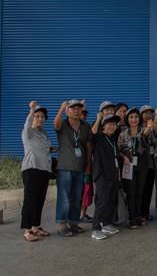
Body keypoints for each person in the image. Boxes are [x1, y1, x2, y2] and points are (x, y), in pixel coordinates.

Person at [53, 99, 91, 237]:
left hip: (79, 167)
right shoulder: (63, 124)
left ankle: (74, 223)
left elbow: (88, 147)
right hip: (65, 167)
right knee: (64, 197)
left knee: (77, 197)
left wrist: (88, 166)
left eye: (78, 108)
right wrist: (61, 109)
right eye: (73, 108)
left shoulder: (85, 126)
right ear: (67, 111)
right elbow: (55, 125)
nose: (76, 110)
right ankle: (63, 226)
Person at [21, 101, 53, 242]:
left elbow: (46, 149)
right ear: (33, 117)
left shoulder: (44, 133)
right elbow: (27, 123)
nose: (40, 118)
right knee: (30, 200)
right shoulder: (28, 131)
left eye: (42, 116)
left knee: (39, 200)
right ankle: (27, 230)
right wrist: (32, 110)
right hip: (31, 169)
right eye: (37, 116)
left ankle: (36, 227)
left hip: (44, 169)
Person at [118, 108, 151, 229]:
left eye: (136, 117)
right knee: (131, 192)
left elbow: (148, 139)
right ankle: (132, 218)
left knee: (139, 192)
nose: (134, 119)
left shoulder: (144, 131)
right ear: (127, 119)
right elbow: (118, 150)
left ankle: (138, 216)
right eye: (131, 117)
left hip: (142, 164)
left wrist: (149, 128)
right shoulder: (123, 134)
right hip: (128, 164)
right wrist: (123, 157)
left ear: (139, 119)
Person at [91, 114, 121, 240]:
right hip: (102, 175)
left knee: (110, 201)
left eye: (114, 124)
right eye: (109, 124)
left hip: (113, 174)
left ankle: (106, 224)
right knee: (102, 201)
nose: (112, 127)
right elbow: (91, 134)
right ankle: (95, 229)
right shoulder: (99, 137)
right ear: (103, 126)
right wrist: (98, 119)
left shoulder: (113, 139)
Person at [139, 105, 157, 222]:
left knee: (149, 189)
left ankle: (145, 212)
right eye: (145, 113)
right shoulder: (137, 126)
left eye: (150, 113)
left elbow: (156, 141)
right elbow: (140, 139)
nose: (148, 115)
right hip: (141, 164)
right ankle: (138, 213)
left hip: (151, 164)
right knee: (140, 189)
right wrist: (147, 129)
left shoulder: (154, 126)